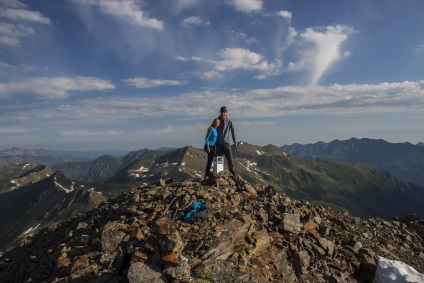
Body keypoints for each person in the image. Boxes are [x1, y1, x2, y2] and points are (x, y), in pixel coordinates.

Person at [216, 106, 237, 176]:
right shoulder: (217, 121)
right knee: (219, 160)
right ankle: (218, 174)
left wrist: (235, 141)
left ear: (226, 113)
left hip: (226, 143)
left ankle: (233, 173)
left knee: (230, 159)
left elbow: (233, 132)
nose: (223, 113)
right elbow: (212, 130)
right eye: (222, 112)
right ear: (220, 112)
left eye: (224, 112)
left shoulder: (229, 122)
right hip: (218, 143)